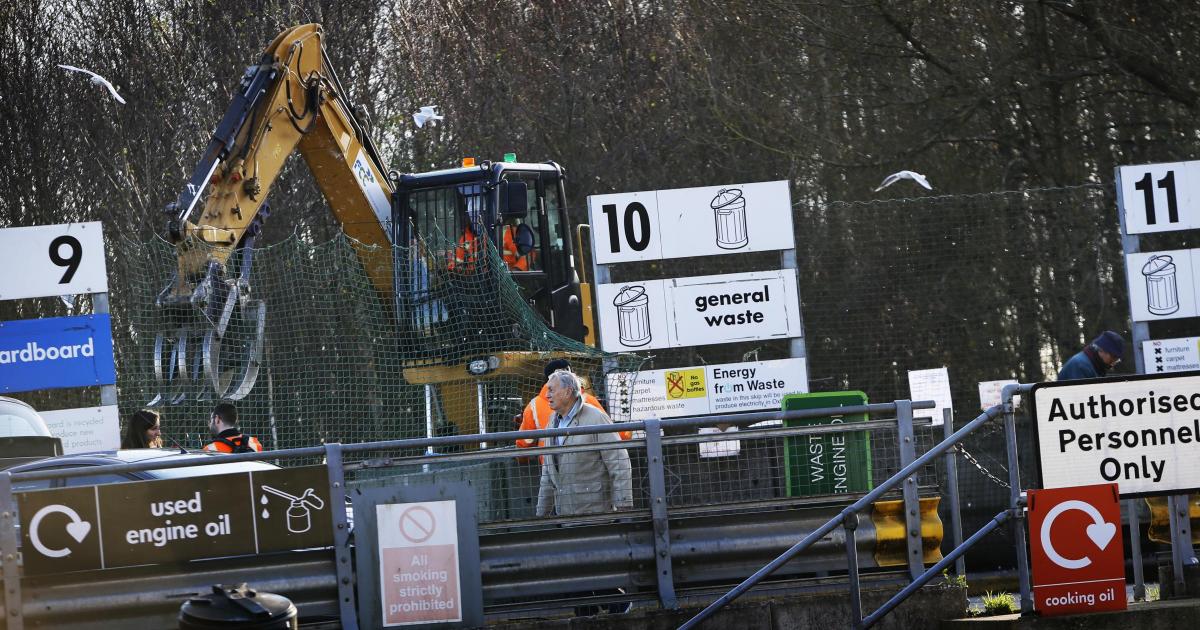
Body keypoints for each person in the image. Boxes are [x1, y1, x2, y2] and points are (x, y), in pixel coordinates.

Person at [535, 370, 633, 517]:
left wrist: (624, 506)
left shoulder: (596, 418)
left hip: (596, 517)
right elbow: (547, 475)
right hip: (566, 518)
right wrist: (541, 516)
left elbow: (619, 463)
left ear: (567, 392)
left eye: (551, 390)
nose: (547, 395)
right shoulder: (552, 422)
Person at [517, 359, 628, 451]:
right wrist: (628, 434)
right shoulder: (588, 400)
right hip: (588, 464)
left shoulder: (534, 405)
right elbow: (613, 434)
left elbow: (523, 444)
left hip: (552, 466)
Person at [1058, 330, 1124, 380]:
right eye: (1113, 357)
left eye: (1117, 359)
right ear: (1101, 350)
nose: (1114, 362)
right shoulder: (1080, 366)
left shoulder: (1096, 365)